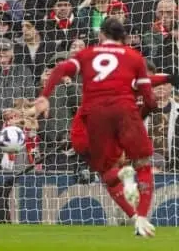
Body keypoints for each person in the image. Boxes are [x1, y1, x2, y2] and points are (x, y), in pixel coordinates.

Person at [35, 18, 157, 237]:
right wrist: (141, 114)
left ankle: (127, 198)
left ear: (101, 35)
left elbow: (61, 68)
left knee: (106, 171)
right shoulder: (134, 57)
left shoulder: (87, 54)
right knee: (143, 165)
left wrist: (45, 96)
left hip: (95, 116)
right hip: (125, 111)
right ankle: (142, 218)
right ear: (125, 37)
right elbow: (150, 99)